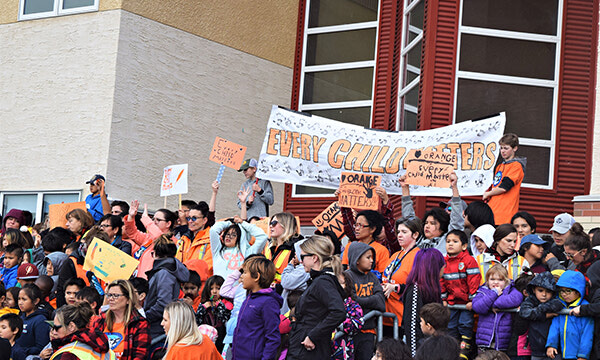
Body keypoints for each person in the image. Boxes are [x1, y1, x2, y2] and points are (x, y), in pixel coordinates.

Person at [287, 235, 346, 359]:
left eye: (303, 256)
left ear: (314, 258)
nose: (301, 261)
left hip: (309, 349)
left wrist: (313, 336)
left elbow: (338, 311)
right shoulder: (320, 280)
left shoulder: (322, 282)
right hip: (306, 345)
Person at [399, 173, 464, 255]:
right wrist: (405, 188)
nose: (427, 226)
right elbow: (408, 218)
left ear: (443, 227)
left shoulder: (446, 241)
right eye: (426, 223)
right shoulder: (418, 241)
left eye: (432, 223)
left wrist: (454, 187)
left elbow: (456, 220)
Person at [440, 229, 481, 359]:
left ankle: (464, 351)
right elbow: (441, 281)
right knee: (451, 326)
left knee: (465, 324)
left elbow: (474, 280)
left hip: (466, 303)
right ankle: (452, 351)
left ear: (464, 246)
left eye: (455, 241)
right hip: (452, 303)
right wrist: (444, 298)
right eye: (448, 241)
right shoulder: (444, 262)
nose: (450, 244)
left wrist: (472, 299)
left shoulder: (469, 260)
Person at [232, 256, 282, 359]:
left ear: (256, 277)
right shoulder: (249, 298)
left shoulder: (268, 302)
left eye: (245, 273)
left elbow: (272, 337)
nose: (242, 276)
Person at [381, 217, 421, 336]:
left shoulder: (419, 255)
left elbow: (419, 286)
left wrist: (395, 287)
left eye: (404, 232)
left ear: (415, 235)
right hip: (385, 316)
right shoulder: (395, 255)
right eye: (398, 232)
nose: (399, 235)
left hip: (403, 317)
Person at [402, 248, 446, 357]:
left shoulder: (433, 288)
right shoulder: (415, 290)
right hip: (419, 351)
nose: (444, 270)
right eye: (442, 266)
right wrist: (414, 355)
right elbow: (411, 326)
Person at [91, 280, 149, 360]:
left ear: (128, 299)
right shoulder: (100, 320)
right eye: (109, 295)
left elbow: (140, 356)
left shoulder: (140, 324)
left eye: (115, 295)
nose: (110, 299)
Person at [144, 234, 190, 338]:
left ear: (156, 254)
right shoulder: (169, 270)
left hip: (158, 326)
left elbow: (163, 303)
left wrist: (145, 316)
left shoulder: (164, 273)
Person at [345, 242, 385, 360]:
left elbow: (381, 302)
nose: (372, 260)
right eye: (368, 257)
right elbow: (351, 301)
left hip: (368, 330)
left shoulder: (372, 277)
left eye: (372, 257)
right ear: (357, 259)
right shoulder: (347, 276)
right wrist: (371, 301)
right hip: (350, 332)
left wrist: (360, 301)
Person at [472, 265, 523, 352]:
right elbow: (477, 306)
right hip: (484, 341)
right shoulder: (482, 291)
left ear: (506, 281)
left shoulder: (511, 290)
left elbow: (516, 299)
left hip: (503, 342)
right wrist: (494, 293)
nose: (496, 282)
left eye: (500, 280)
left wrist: (490, 304)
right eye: (492, 279)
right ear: (487, 280)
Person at [546, 270, 594, 360]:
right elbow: (554, 328)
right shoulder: (560, 306)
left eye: (568, 291)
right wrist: (551, 345)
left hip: (577, 356)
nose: (564, 294)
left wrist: (583, 355)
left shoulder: (585, 308)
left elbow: (587, 335)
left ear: (578, 291)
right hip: (563, 355)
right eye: (561, 291)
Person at [123, 202, 177, 279]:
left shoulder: (171, 241)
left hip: (154, 282)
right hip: (140, 281)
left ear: (168, 224)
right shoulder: (148, 238)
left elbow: (160, 237)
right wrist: (131, 217)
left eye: (158, 220)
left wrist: (146, 219)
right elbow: (132, 233)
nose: (154, 222)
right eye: (153, 219)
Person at [482, 133, 526, 225]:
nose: (503, 151)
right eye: (501, 148)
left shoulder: (516, 166)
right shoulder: (500, 166)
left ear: (515, 148)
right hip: (492, 213)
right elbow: (495, 186)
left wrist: (488, 193)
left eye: (506, 148)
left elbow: (504, 187)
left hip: (504, 216)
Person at [517, 272, 563, 360]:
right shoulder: (530, 301)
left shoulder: (555, 301)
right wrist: (544, 315)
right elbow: (525, 313)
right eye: (540, 290)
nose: (544, 295)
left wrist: (539, 310)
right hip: (536, 349)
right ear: (534, 290)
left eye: (548, 291)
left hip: (554, 349)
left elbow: (557, 305)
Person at [48, 302, 112, 360]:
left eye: (56, 327)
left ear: (71, 326)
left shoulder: (68, 354)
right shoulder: (107, 350)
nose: (53, 332)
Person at [331, 272, 363, 360]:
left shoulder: (352, 304)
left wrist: (337, 319)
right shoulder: (323, 302)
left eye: (341, 283)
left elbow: (357, 324)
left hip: (344, 352)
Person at [265, 212, 303, 284]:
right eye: (270, 223)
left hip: (285, 292)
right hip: (268, 290)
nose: (270, 226)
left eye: (274, 223)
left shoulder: (296, 248)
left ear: (286, 225)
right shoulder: (270, 246)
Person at [195, 275, 230, 352]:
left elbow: (225, 320)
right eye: (211, 288)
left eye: (218, 288)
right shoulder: (203, 304)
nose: (214, 291)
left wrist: (219, 307)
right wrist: (204, 308)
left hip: (220, 338)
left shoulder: (226, 304)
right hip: (205, 339)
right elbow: (197, 321)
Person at [16, 284, 50, 356]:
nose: (20, 303)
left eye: (24, 299)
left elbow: (41, 347)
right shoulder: (21, 317)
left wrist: (22, 350)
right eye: (19, 299)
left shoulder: (40, 320)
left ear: (36, 301)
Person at [176, 204, 213, 271]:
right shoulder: (183, 239)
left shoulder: (211, 240)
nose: (190, 221)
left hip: (199, 280)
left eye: (194, 218)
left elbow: (208, 267)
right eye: (188, 218)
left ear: (204, 220)